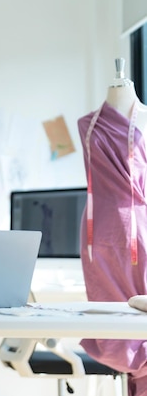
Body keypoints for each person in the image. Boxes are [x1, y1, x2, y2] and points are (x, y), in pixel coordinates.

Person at [77, 58, 147, 396]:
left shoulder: (145, 120)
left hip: (140, 228)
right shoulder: (87, 124)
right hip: (100, 232)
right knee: (113, 324)